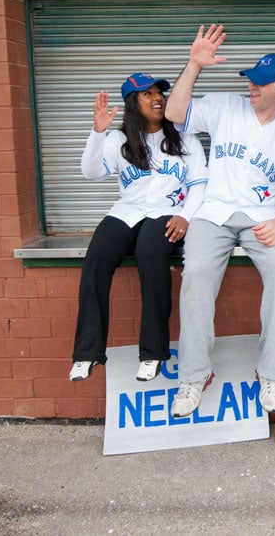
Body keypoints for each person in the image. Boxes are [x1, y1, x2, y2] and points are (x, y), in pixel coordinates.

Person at [163, 24, 275, 417]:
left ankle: (271, 374)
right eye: (251, 81)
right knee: (197, 274)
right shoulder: (225, 105)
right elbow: (174, 113)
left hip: (263, 219)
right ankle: (193, 375)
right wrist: (193, 65)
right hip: (214, 212)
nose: (252, 88)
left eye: (261, 83)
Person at [69, 73, 208, 383]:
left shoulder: (185, 139)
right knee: (97, 258)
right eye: (148, 94)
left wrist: (186, 216)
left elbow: (199, 184)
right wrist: (97, 132)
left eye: (160, 93)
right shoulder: (118, 140)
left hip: (168, 212)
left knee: (149, 253)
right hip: (128, 211)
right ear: (133, 102)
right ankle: (87, 353)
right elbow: (90, 173)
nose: (157, 98)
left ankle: (153, 353)